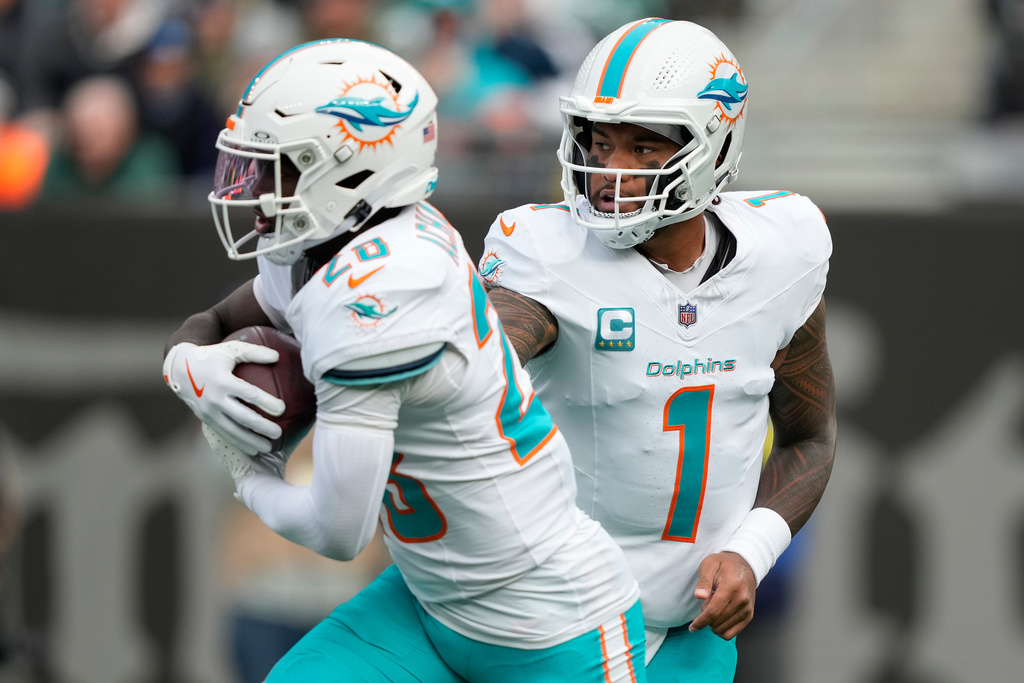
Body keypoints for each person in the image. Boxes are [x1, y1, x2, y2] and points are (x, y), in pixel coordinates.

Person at [161, 39, 647, 682]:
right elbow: (223, 319)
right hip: (429, 600)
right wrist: (185, 360)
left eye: (280, 167)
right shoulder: (334, 240)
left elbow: (337, 530)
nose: (255, 189)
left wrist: (246, 472)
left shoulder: (381, 293)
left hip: (552, 620)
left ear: (352, 172)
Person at [477, 18, 837, 682]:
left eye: (644, 147)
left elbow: (808, 437)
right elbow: (469, 365)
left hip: (687, 630)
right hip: (542, 621)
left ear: (715, 149)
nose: (610, 170)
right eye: (598, 140)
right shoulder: (542, 255)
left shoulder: (784, 250)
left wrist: (753, 550)